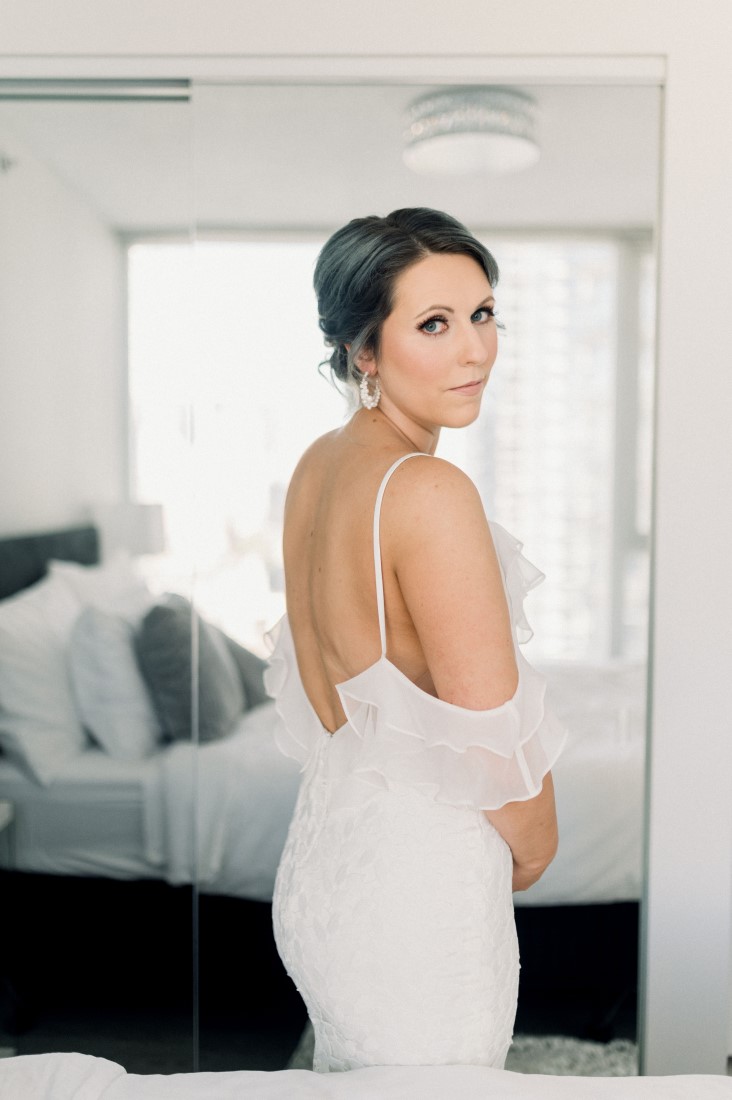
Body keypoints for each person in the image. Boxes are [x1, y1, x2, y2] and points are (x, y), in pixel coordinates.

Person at [264, 207, 566, 1072]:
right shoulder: (427, 490)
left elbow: (329, 697)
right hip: (415, 893)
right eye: (434, 323)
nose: (475, 350)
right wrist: (538, 850)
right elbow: (493, 745)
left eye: (482, 314)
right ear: (365, 350)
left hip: (324, 872)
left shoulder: (318, 467)